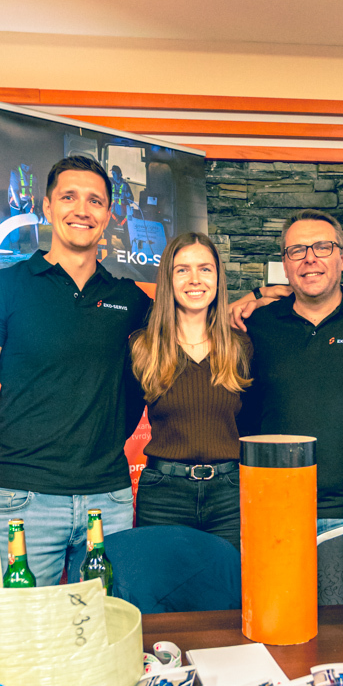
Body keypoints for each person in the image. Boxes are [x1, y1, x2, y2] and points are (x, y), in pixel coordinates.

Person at [0, 154, 150, 585]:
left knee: (103, 620)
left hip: (108, 499)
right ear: (47, 207)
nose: (82, 209)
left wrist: (254, 299)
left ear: (108, 215)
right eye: (69, 197)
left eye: (95, 201)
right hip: (27, 500)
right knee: (24, 622)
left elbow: (192, 321)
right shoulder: (2, 289)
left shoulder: (129, 299)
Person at [238, 210, 343, 532]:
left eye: (322, 247)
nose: (310, 258)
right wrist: (250, 298)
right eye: (297, 250)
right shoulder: (258, 325)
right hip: (274, 505)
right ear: (285, 264)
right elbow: (242, 412)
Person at [129, 232, 250, 551]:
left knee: (227, 581)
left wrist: (261, 293)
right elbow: (120, 421)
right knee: (164, 581)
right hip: (163, 496)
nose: (195, 279)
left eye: (205, 269)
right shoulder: (144, 348)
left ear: (218, 278)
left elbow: (254, 425)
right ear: (168, 280)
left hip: (229, 495)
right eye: (182, 269)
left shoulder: (240, 347)